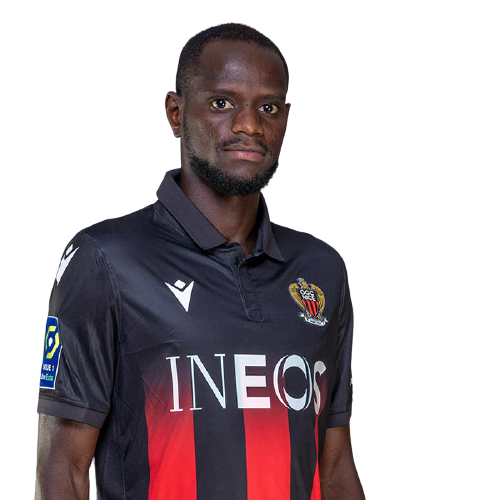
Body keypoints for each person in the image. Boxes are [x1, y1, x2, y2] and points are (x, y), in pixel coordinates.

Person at [35, 22, 365, 500]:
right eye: (222, 103)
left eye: (268, 107)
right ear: (175, 113)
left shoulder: (322, 270)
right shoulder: (105, 259)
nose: (249, 125)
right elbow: (62, 469)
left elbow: (334, 469)